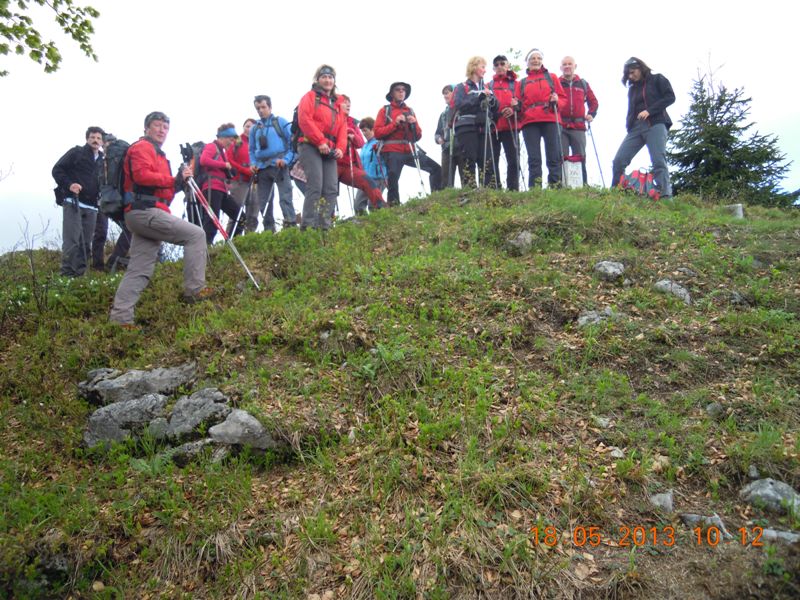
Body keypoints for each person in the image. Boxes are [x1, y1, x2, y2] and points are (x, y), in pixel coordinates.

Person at [109, 111, 209, 327]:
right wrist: (173, 179)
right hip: (145, 211)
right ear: (146, 128)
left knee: (139, 268)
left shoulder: (159, 154)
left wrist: (179, 183)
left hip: (142, 212)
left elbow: (163, 190)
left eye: (165, 127)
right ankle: (195, 290)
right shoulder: (142, 147)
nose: (162, 130)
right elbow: (142, 176)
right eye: (157, 126)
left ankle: (121, 319)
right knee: (196, 235)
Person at [612, 57, 675, 198]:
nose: (630, 76)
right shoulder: (632, 89)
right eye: (628, 74)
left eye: (632, 72)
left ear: (640, 69)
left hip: (655, 124)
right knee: (619, 160)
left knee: (658, 161)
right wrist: (629, 126)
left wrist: (650, 111)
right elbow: (631, 110)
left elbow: (670, 97)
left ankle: (665, 196)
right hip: (636, 127)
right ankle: (614, 193)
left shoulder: (657, 79)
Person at [374, 81, 442, 205]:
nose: (401, 92)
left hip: (409, 149)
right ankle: (394, 206)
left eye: (403, 90)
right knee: (393, 178)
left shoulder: (410, 111)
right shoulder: (384, 110)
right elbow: (377, 133)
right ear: (392, 94)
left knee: (436, 169)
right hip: (392, 150)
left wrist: (414, 123)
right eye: (398, 89)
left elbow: (418, 136)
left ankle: (438, 198)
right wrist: (395, 123)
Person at [296, 65, 347, 230]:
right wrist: (320, 141)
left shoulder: (338, 103)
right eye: (324, 77)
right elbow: (304, 119)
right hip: (310, 145)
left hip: (329, 148)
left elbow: (343, 128)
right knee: (315, 185)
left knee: (331, 188)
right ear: (318, 80)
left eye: (330, 77)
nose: (327, 80)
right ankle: (308, 227)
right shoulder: (310, 97)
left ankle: (325, 227)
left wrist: (341, 148)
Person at [52, 125, 105, 277]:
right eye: (92, 137)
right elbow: (57, 170)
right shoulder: (76, 153)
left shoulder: (103, 160)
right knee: (72, 240)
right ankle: (67, 275)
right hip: (73, 202)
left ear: (102, 142)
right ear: (87, 139)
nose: (95, 140)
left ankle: (80, 276)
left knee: (85, 243)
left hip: (93, 206)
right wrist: (70, 185)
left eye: (98, 138)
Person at [517, 49, 566, 187]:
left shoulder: (552, 77)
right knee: (534, 158)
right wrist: (516, 106)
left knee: (554, 156)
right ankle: (535, 189)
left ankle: (555, 187)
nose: (536, 60)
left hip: (550, 118)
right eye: (533, 58)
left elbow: (562, 98)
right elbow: (518, 103)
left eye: (538, 58)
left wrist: (557, 100)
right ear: (527, 62)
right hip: (530, 121)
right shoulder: (522, 82)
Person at [249, 95, 296, 232]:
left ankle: (290, 226)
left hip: (279, 165)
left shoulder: (280, 122)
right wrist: (253, 163)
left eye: (263, 107)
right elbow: (251, 150)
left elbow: (292, 144)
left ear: (270, 107)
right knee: (264, 201)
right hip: (261, 168)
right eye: (258, 108)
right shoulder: (254, 129)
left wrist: (286, 160)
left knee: (285, 197)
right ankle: (269, 230)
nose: (260, 110)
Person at [453, 57, 498, 188]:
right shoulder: (461, 87)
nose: (485, 70)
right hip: (466, 127)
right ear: (474, 67)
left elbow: (496, 107)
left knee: (487, 160)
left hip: (484, 127)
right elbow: (459, 104)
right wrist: (478, 97)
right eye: (482, 67)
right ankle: (470, 191)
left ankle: (489, 192)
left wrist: (492, 99)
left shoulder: (487, 87)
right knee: (469, 159)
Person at [91, 132, 133, 272]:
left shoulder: (108, 159)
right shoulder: (119, 155)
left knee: (101, 233)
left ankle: (101, 266)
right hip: (116, 200)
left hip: (105, 201)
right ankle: (112, 263)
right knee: (129, 229)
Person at [336, 95, 385, 215]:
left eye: (349, 103)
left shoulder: (352, 123)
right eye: (345, 103)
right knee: (331, 192)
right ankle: (327, 221)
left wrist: (352, 134)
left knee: (367, 183)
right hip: (334, 163)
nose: (348, 105)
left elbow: (359, 143)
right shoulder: (331, 119)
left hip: (351, 166)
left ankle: (383, 211)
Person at [559, 56, 599, 185]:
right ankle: (561, 185)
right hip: (561, 125)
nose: (567, 66)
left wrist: (591, 114)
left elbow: (593, 102)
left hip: (579, 125)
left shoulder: (583, 84)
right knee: (561, 156)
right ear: (561, 67)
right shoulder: (556, 84)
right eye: (564, 64)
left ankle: (583, 185)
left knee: (580, 156)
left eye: (570, 64)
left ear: (575, 66)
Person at [199, 124, 240, 244]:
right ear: (222, 137)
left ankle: (232, 245)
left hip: (221, 189)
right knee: (212, 221)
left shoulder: (223, 152)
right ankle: (205, 249)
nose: (232, 143)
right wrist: (224, 165)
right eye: (230, 139)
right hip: (212, 187)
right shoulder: (212, 146)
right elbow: (203, 160)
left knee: (239, 217)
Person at [488, 55, 521, 191]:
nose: (499, 66)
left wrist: (514, 109)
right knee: (492, 160)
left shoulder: (517, 84)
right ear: (493, 68)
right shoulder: (488, 86)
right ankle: (495, 188)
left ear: (508, 66)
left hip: (511, 126)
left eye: (502, 63)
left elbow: (522, 103)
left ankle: (513, 189)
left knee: (513, 160)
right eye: (496, 65)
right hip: (494, 127)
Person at [226, 118, 256, 236]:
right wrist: (245, 170)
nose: (249, 129)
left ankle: (248, 240)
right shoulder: (236, 142)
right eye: (247, 126)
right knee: (236, 213)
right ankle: (230, 240)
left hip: (254, 183)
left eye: (252, 127)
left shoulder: (257, 143)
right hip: (239, 182)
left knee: (253, 215)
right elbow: (229, 160)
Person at [435, 84, 465, 188]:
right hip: (447, 149)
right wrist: (438, 139)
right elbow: (437, 133)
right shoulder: (443, 114)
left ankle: (468, 195)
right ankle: (447, 196)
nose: (445, 96)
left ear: (455, 93)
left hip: (462, 147)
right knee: (446, 180)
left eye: (447, 93)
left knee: (466, 178)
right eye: (444, 94)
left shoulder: (462, 110)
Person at [355, 117, 388, 214]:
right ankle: (362, 222)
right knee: (358, 205)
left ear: (372, 129)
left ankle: (383, 219)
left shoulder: (380, 142)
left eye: (365, 130)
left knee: (373, 205)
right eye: (362, 131)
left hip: (378, 178)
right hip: (365, 179)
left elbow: (388, 159)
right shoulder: (364, 146)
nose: (363, 133)